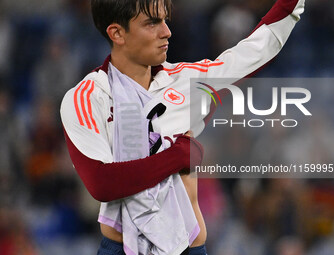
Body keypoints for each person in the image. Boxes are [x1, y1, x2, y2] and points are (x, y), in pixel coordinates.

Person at [60, 0, 305, 254]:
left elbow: (254, 52)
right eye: (152, 23)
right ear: (117, 33)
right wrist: (178, 156)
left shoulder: (187, 81)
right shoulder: (87, 97)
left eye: (165, 20)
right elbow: (103, 183)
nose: (167, 31)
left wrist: (291, 4)